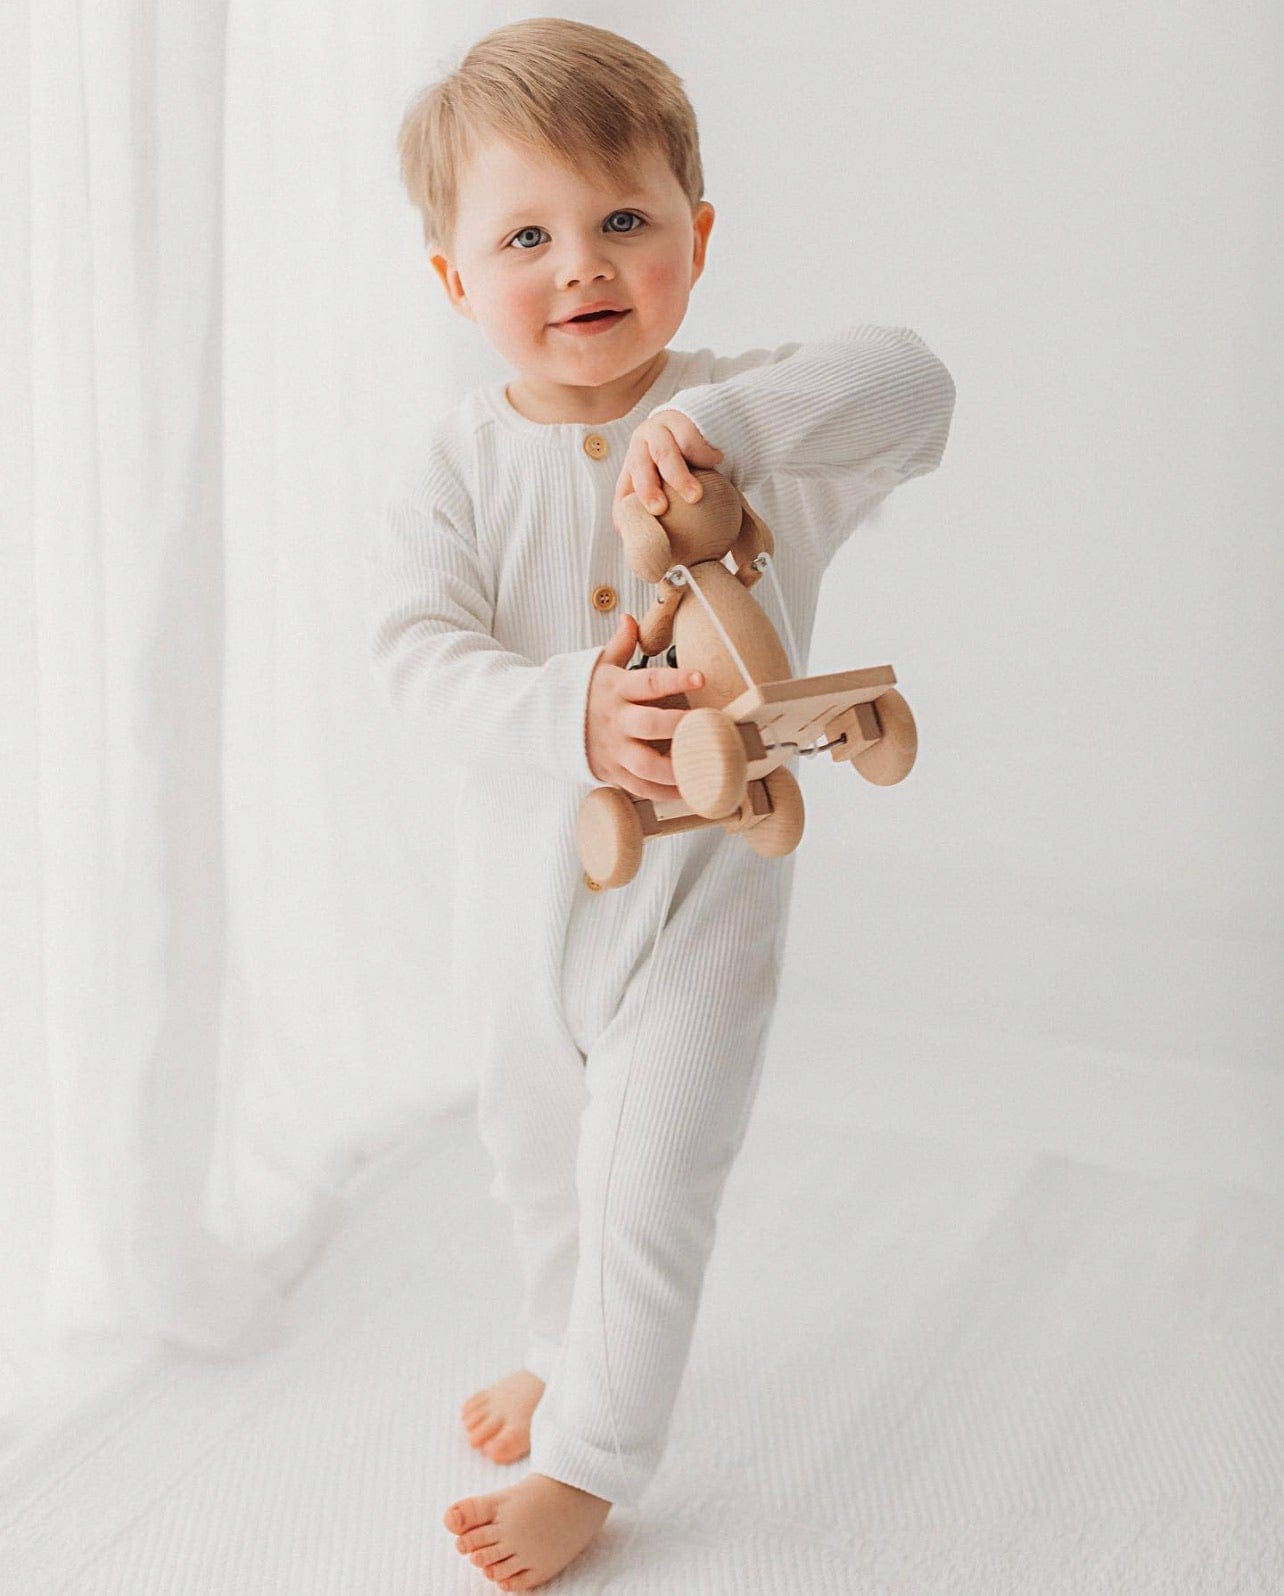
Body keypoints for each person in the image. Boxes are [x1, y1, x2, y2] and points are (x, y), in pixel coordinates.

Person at [368, 17, 956, 1590]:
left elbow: (918, 380)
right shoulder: (449, 461)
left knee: (644, 1183)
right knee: (537, 1160)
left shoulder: (761, 427)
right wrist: (568, 707)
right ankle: (567, 1355)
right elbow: (415, 659)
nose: (583, 266)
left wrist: (735, 436)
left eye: (626, 220)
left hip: (697, 917)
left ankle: (595, 1464)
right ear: (451, 280)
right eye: (526, 236)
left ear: (695, 238)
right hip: (515, 911)